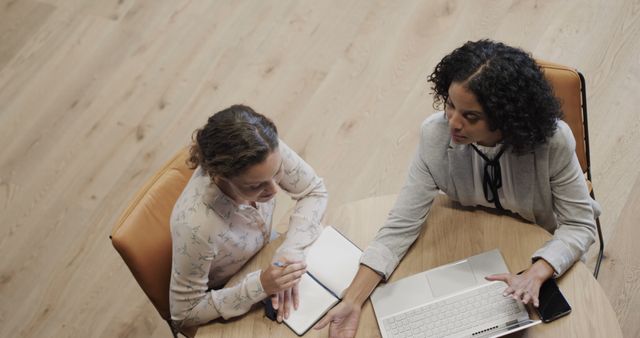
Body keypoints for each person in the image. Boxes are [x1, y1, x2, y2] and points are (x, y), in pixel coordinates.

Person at [315, 39, 599, 337]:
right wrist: (353, 300)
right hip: (472, 247)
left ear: (506, 117)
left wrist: (536, 273)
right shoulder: (434, 136)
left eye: (470, 116)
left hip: (540, 249)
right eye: (450, 105)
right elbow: (399, 227)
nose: (452, 123)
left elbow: (579, 225)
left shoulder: (552, 142)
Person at [169, 104, 328, 329]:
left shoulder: (264, 148)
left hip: (264, 252)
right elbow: (183, 314)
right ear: (219, 177)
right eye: (255, 186)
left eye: (277, 173)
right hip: (228, 291)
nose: (274, 190)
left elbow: (313, 190)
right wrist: (260, 285)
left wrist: (290, 252)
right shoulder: (196, 226)